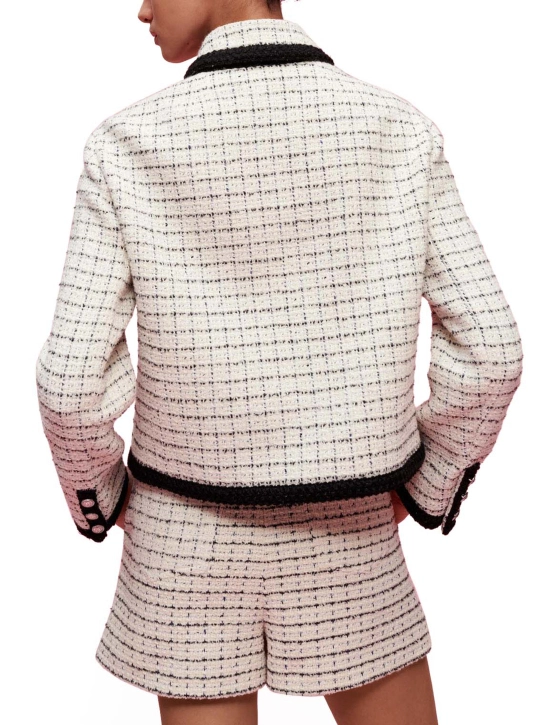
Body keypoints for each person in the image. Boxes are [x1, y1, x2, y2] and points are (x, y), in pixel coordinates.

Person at [35, 1, 523, 724]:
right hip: (349, 529)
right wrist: (426, 480)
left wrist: (105, 497)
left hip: (181, 539)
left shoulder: (125, 144)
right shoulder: (398, 129)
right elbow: (493, 351)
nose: (141, 8)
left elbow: (69, 386)